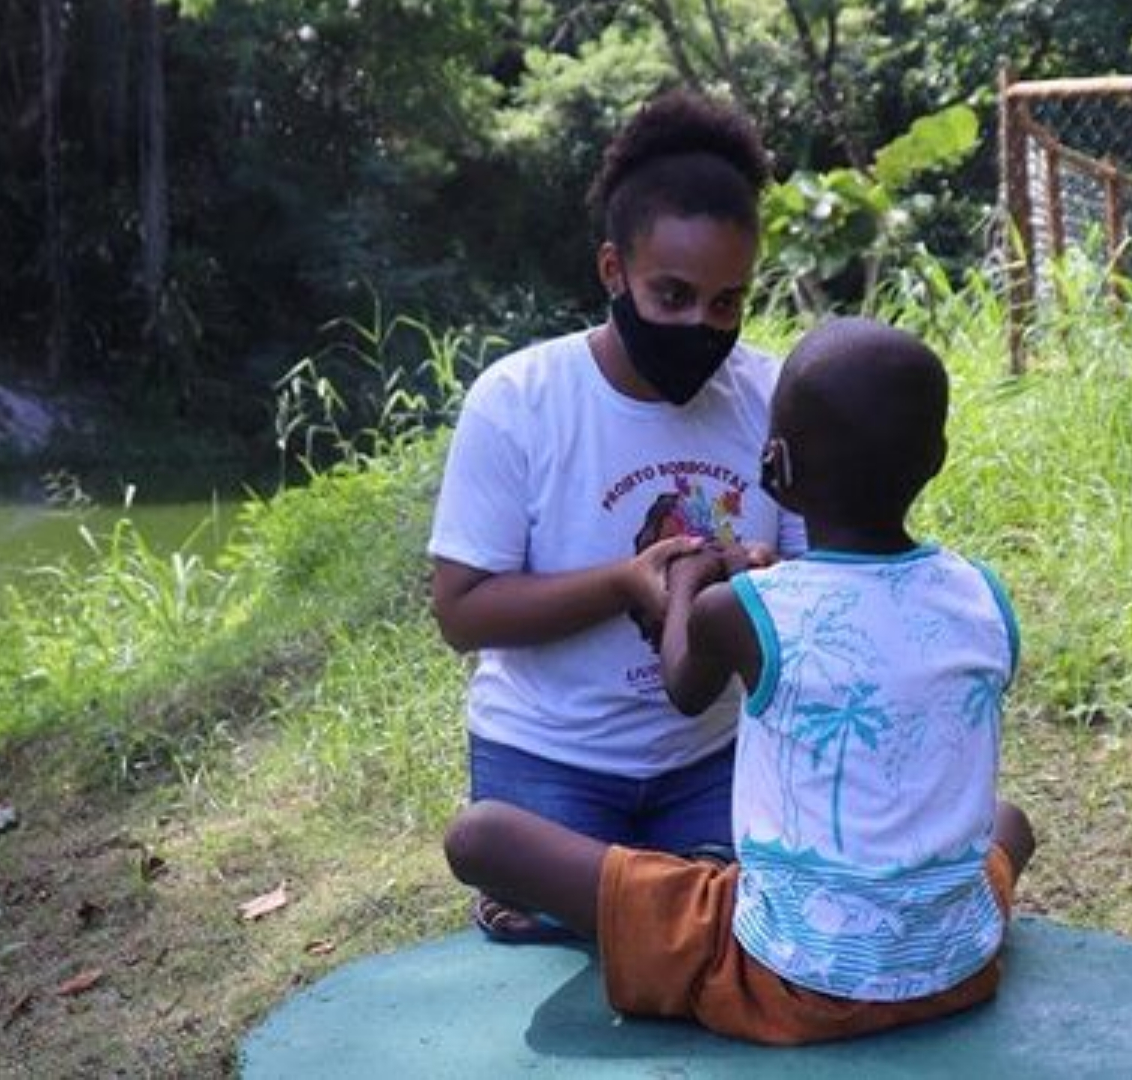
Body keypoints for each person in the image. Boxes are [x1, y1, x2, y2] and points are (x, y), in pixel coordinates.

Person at [443, 317, 1037, 1045]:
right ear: (937, 458)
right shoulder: (982, 593)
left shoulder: (745, 610)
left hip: (788, 974)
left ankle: (670, 889)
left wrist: (690, 582)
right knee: (1011, 825)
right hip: (953, 961)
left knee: (480, 838)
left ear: (774, 465)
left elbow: (684, 687)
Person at [428, 91, 808, 942]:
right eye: (671, 295)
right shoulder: (519, 403)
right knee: (687, 924)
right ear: (613, 273)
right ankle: (620, 897)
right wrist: (624, 583)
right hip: (549, 760)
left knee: (731, 929)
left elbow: (823, 583)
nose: (698, 325)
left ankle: (606, 901)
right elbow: (461, 611)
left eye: (725, 302)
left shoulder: (773, 396)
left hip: (714, 759)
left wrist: (761, 581)